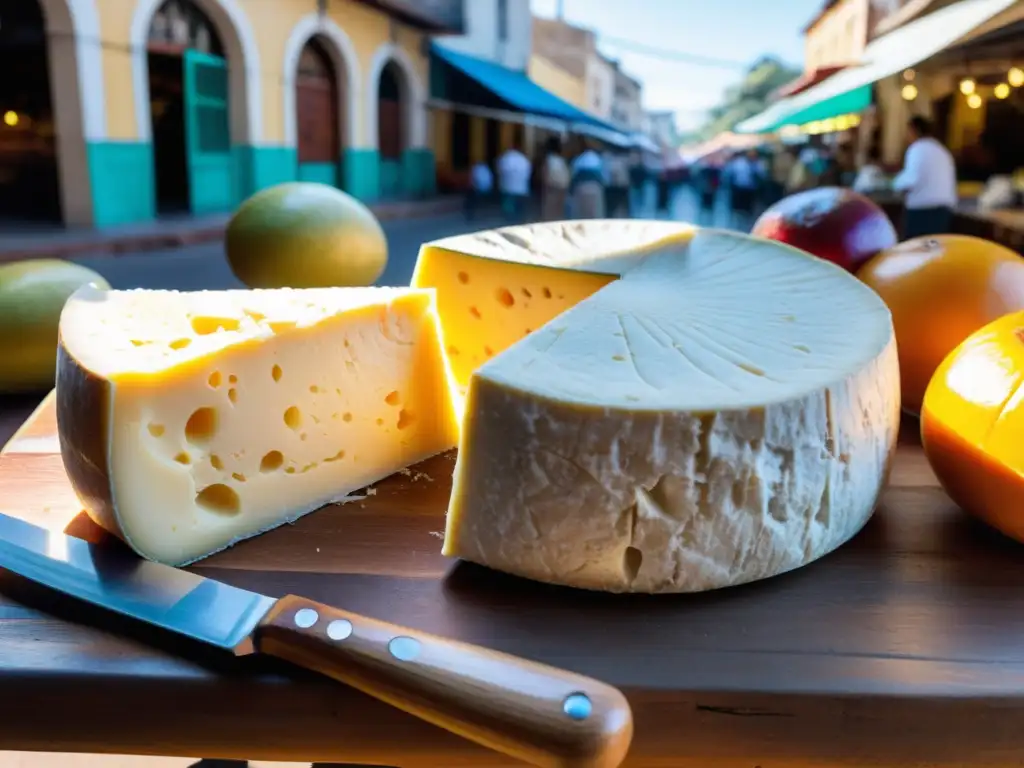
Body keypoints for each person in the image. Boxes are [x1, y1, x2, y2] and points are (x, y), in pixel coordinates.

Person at [893, 116, 958, 238]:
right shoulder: (941, 149)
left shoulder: (917, 148)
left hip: (922, 210)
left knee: (916, 251)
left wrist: (895, 183)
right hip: (944, 210)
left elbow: (911, 179)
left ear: (914, 130)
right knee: (934, 250)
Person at [725, 149, 762, 230]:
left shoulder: (758, 163)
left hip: (750, 190)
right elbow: (729, 174)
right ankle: (736, 225)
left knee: (748, 210)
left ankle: (746, 226)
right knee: (737, 210)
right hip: (739, 189)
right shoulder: (738, 162)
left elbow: (762, 175)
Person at [496, 140, 532, 223]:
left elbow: (499, 171)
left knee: (508, 213)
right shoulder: (524, 159)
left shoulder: (505, 158)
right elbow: (528, 174)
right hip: (522, 190)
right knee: (520, 213)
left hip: (508, 190)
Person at [570, 140, 607, 219]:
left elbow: (573, 175)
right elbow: (604, 176)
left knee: (582, 212)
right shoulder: (598, 159)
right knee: (595, 212)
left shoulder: (578, 159)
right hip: (594, 187)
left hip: (581, 187)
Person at [539, 135, 570, 221]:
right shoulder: (562, 160)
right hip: (562, 188)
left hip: (552, 188)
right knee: (558, 213)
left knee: (549, 213)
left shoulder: (548, 159)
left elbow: (545, 175)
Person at [605, 150, 631, 217]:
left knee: (622, 209)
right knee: (612, 210)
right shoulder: (608, 159)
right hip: (612, 189)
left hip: (622, 189)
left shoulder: (623, 159)